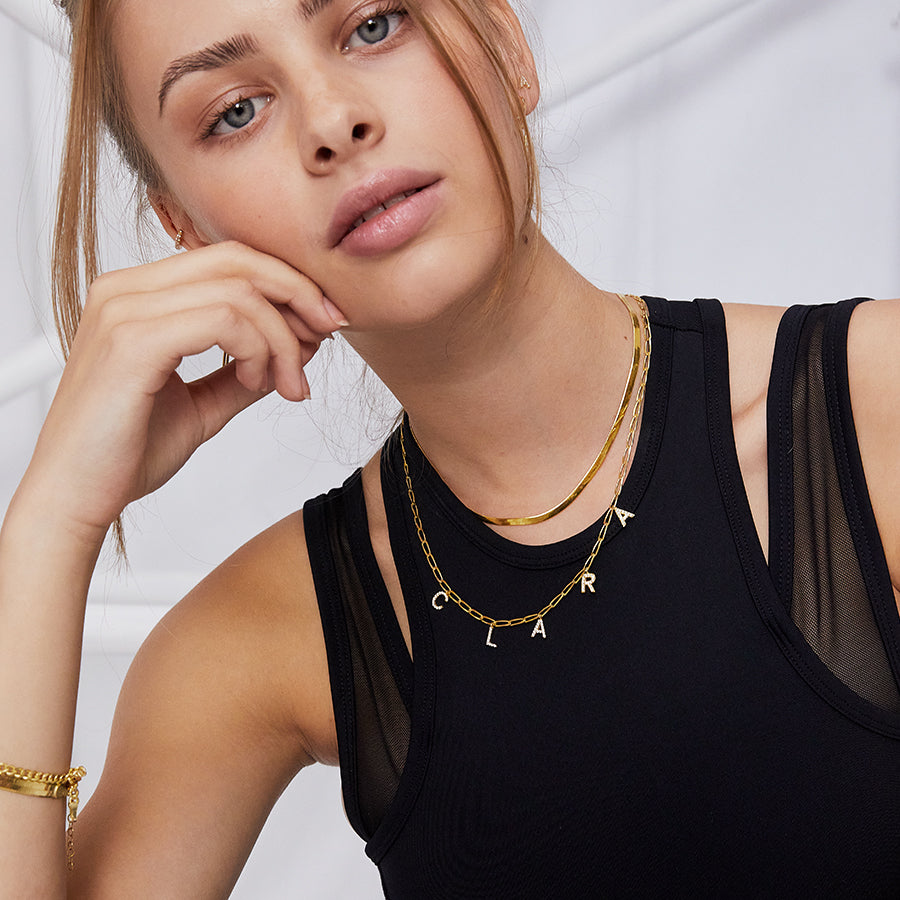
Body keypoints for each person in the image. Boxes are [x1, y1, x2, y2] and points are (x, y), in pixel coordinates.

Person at [1, 0, 899, 896]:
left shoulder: (875, 405)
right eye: (236, 111)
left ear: (504, 43)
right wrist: (50, 525)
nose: (333, 123)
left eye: (373, 25)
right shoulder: (258, 637)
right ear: (191, 234)